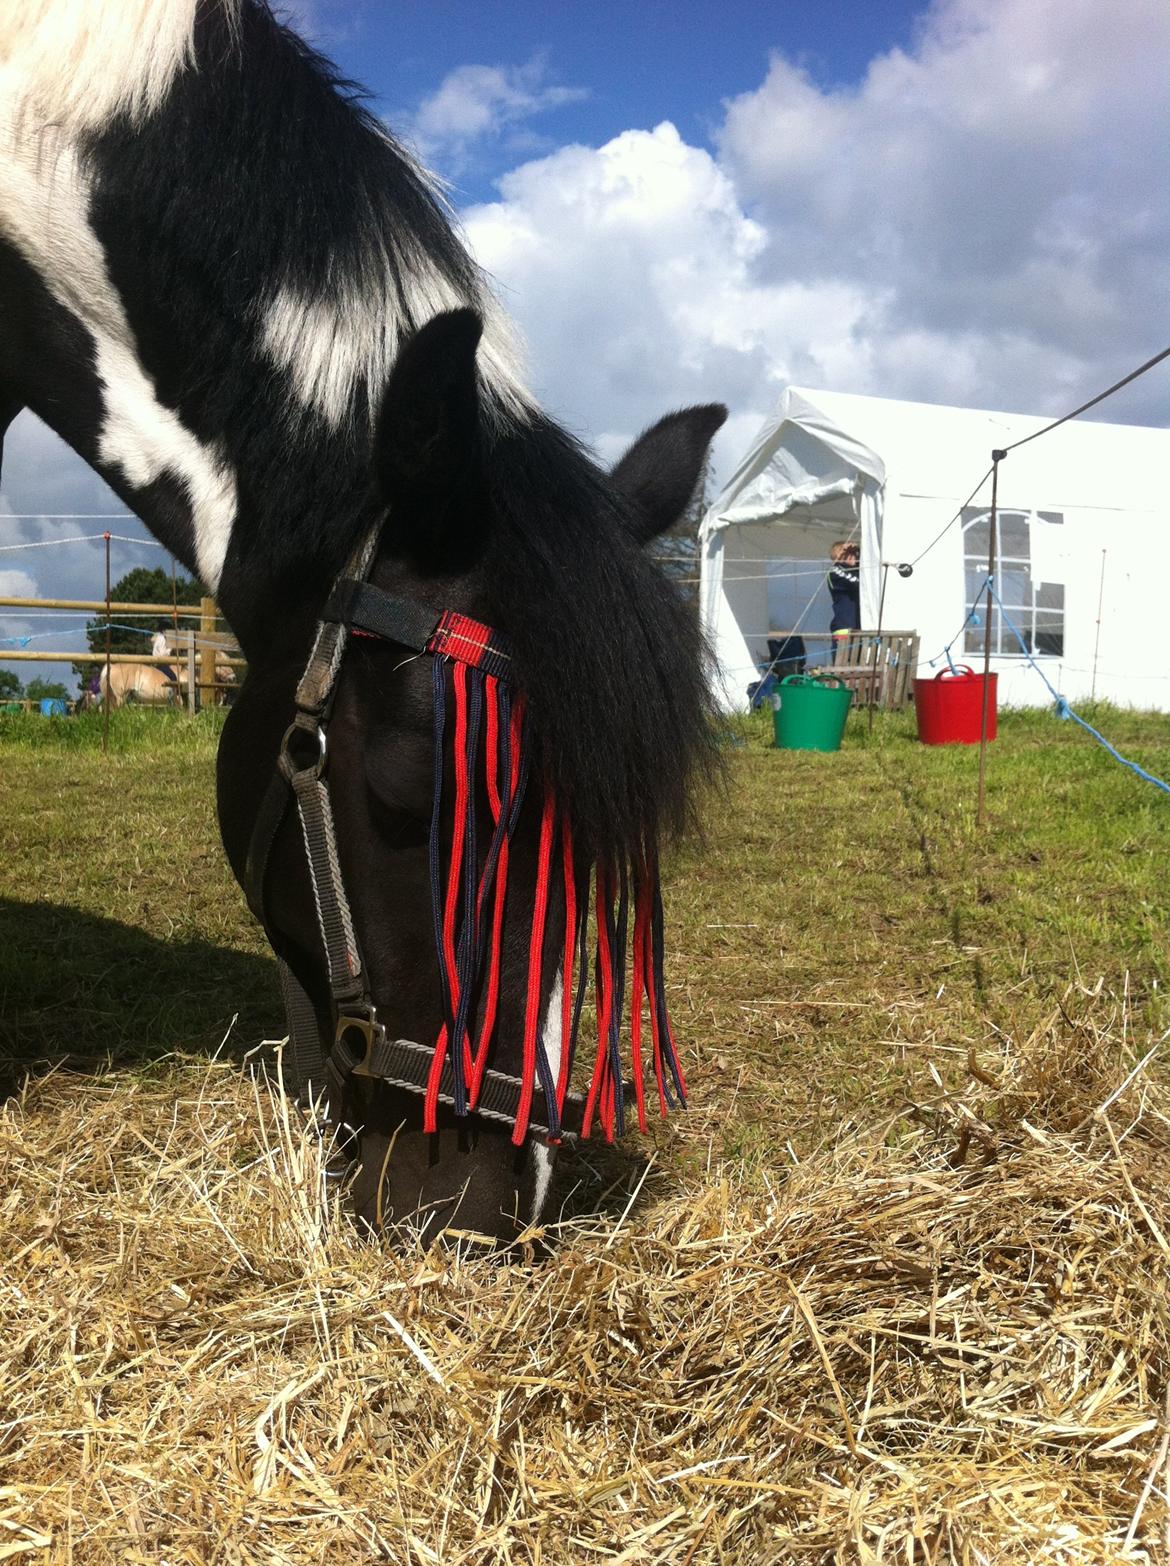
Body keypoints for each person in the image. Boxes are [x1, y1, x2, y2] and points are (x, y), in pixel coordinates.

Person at [827, 541, 861, 638]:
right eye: (848, 552)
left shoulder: (860, 570)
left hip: (864, 629)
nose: (853, 555)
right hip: (845, 630)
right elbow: (857, 583)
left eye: (854, 553)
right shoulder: (835, 571)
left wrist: (861, 552)